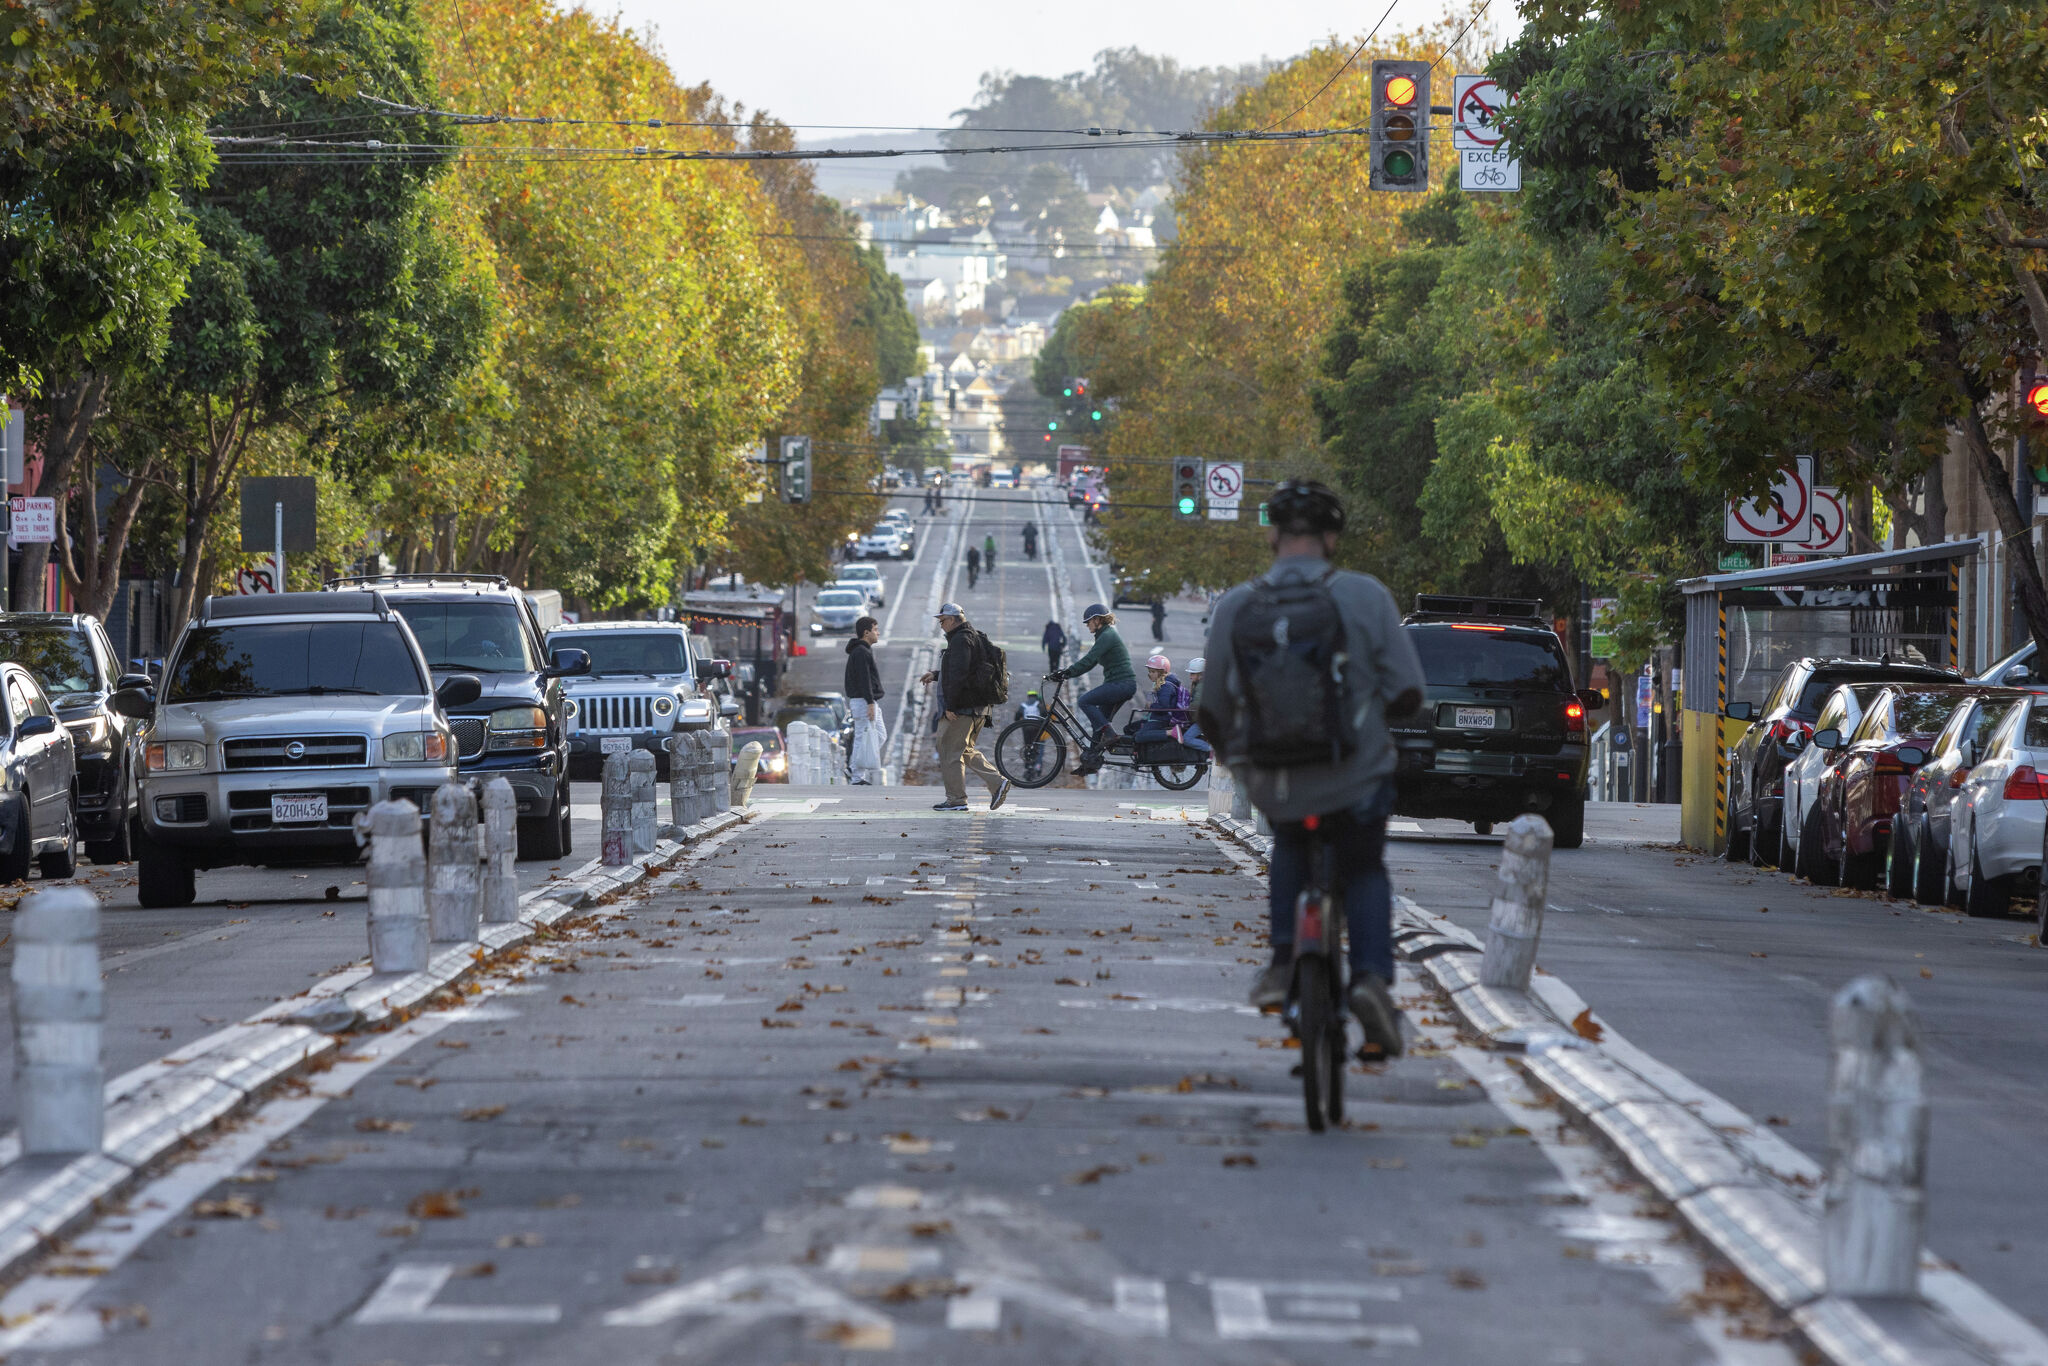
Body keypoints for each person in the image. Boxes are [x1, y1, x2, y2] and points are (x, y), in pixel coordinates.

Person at [1197, 479, 1425, 1058]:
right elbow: (1408, 691)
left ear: (1272, 534)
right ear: (1332, 538)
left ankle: (1280, 963)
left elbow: (1212, 710)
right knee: (1365, 868)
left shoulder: (1236, 605)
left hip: (1276, 781)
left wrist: (1236, 759)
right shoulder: (1368, 597)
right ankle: (1372, 980)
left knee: (1291, 849)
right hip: (1355, 775)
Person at [917, 603, 1011, 812]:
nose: (941, 626)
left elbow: (959, 675)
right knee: (962, 750)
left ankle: (957, 799)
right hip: (976, 707)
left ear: (952, 620)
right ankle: (996, 783)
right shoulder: (973, 636)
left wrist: (951, 706)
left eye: (942, 621)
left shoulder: (960, 640)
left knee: (949, 750)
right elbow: (965, 671)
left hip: (963, 708)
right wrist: (937, 675)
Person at [1049, 603, 1134, 776]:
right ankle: (1090, 763)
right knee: (1099, 724)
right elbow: (1091, 662)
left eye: (1089, 622)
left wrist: (1067, 672)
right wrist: (1067, 673)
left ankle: (1110, 734)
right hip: (1118, 684)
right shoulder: (1103, 635)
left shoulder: (1108, 635)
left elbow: (1089, 660)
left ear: (1097, 620)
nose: (1087, 625)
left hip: (1122, 684)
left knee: (1084, 701)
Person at [844, 616, 885, 785]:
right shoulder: (861, 652)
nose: (878, 633)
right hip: (863, 701)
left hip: (867, 700)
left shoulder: (863, 650)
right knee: (862, 736)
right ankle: (856, 775)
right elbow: (864, 678)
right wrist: (869, 702)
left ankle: (854, 767)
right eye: (875, 630)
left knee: (880, 735)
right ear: (866, 632)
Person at [1128, 653, 1190, 746]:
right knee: (1128, 729)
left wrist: (1151, 706)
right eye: (1149, 671)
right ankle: (1142, 752)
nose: (1150, 674)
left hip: (1162, 720)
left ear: (1162, 672)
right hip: (1154, 717)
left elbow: (1164, 707)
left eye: (1153, 672)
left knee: (1139, 736)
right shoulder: (1157, 684)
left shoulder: (1166, 686)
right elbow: (1151, 700)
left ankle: (1171, 732)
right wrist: (1149, 700)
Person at [1181, 656, 1211, 753]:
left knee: (1186, 739)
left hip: (1204, 720)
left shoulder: (1201, 687)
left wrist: (1186, 710)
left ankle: (1211, 751)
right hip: (1206, 718)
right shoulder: (1203, 684)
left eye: (1193, 673)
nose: (1190, 676)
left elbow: (1195, 705)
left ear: (1201, 675)